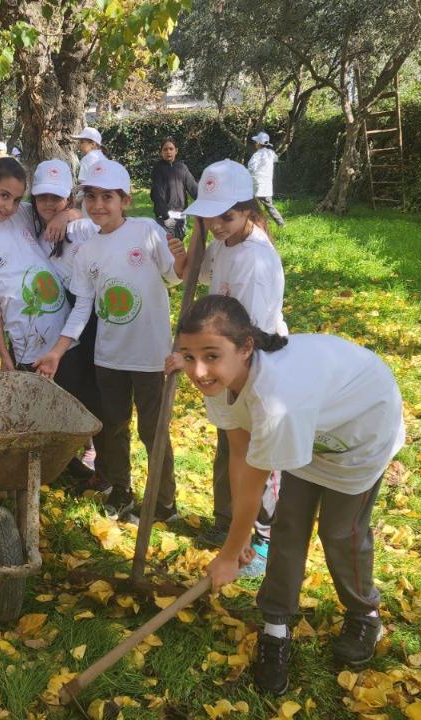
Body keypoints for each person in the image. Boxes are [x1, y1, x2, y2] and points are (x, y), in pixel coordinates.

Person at [166, 294, 404, 695]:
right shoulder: (222, 384)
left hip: (360, 433)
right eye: (187, 357)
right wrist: (238, 542)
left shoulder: (277, 401)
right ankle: (276, 627)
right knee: (289, 525)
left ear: (246, 348)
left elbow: (258, 477)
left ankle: (365, 613)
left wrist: (229, 554)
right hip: (310, 427)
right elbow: (241, 458)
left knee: (340, 532)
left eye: (210, 355)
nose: (198, 370)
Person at [34, 159, 185, 522]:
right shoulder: (87, 251)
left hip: (151, 357)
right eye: (92, 197)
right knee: (113, 427)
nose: (99, 205)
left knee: (154, 431)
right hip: (109, 358)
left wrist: (183, 260)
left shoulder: (147, 231)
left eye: (108, 197)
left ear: (125, 200)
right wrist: (57, 350)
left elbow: (175, 278)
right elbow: (82, 307)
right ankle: (121, 491)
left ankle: (164, 503)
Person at [171, 159, 287, 578]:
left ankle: (265, 541)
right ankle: (236, 528)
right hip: (227, 362)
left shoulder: (256, 261)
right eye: (210, 215)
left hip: (254, 367)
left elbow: (248, 335)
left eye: (227, 216)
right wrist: (191, 246)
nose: (218, 224)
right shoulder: (223, 243)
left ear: (248, 211)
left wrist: (191, 357)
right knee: (236, 451)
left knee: (261, 454)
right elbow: (195, 276)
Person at [0, 157, 71, 376]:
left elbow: (65, 211)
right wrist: (4, 355)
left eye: (17, 199)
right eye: (4, 195)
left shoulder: (23, 214)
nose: (10, 207)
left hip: (66, 336)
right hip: (29, 348)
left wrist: (65, 215)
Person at [30, 158, 102, 484]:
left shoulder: (78, 228)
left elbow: (106, 226)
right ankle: (66, 456)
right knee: (65, 385)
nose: (47, 203)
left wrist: (71, 215)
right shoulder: (30, 228)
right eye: (41, 196)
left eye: (55, 198)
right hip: (55, 314)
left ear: (68, 198)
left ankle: (92, 451)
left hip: (89, 310)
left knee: (87, 385)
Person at [150, 137, 199, 241]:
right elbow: (157, 194)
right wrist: (165, 216)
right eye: (165, 149)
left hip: (181, 216)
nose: (168, 152)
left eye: (171, 149)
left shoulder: (182, 168)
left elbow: (193, 188)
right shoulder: (158, 169)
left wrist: (206, 201)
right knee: (167, 249)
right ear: (161, 152)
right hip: (166, 218)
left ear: (176, 151)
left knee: (178, 248)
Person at [248, 132, 286, 227]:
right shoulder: (271, 153)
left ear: (258, 144)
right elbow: (276, 159)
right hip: (267, 185)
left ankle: (254, 225)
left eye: (256, 142)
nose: (255, 144)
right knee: (270, 206)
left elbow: (251, 168)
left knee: (251, 206)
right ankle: (281, 224)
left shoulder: (256, 155)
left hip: (256, 185)